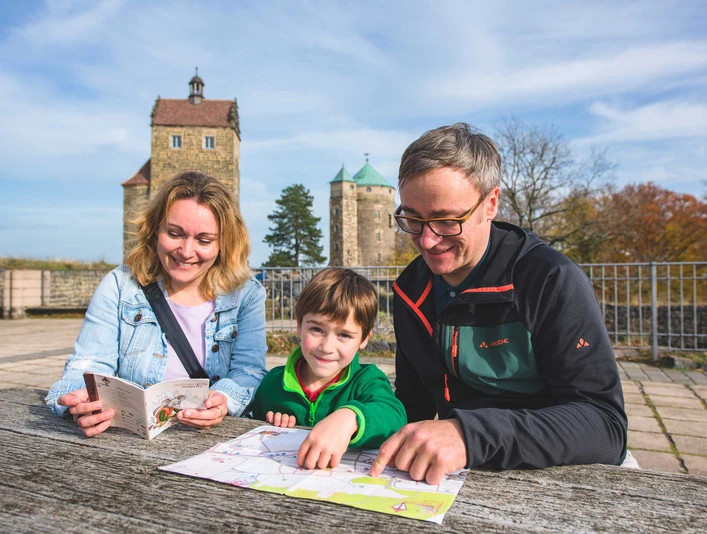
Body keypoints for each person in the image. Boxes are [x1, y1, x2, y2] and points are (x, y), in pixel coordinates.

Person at [369, 123, 630, 484]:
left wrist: (468, 433)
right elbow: (413, 404)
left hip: (555, 471)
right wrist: (356, 416)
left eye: (446, 221)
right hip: (460, 474)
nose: (427, 241)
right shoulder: (410, 290)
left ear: (490, 203)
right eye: (412, 219)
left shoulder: (549, 280)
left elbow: (605, 427)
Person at [45, 172, 268, 437]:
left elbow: (249, 372)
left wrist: (223, 400)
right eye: (175, 234)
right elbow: (87, 367)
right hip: (127, 442)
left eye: (204, 240)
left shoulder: (246, 295)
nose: (186, 252)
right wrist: (80, 401)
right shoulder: (120, 286)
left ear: (224, 243)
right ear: (155, 230)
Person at [252, 267, 407, 470]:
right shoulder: (273, 383)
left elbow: (394, 416)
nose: (326, 347)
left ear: (364, 339)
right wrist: (274, 425)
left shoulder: (368, 380)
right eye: (316, 329)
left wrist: (351, 417)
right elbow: (255, 430)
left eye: (343, 335)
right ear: (299, 326)